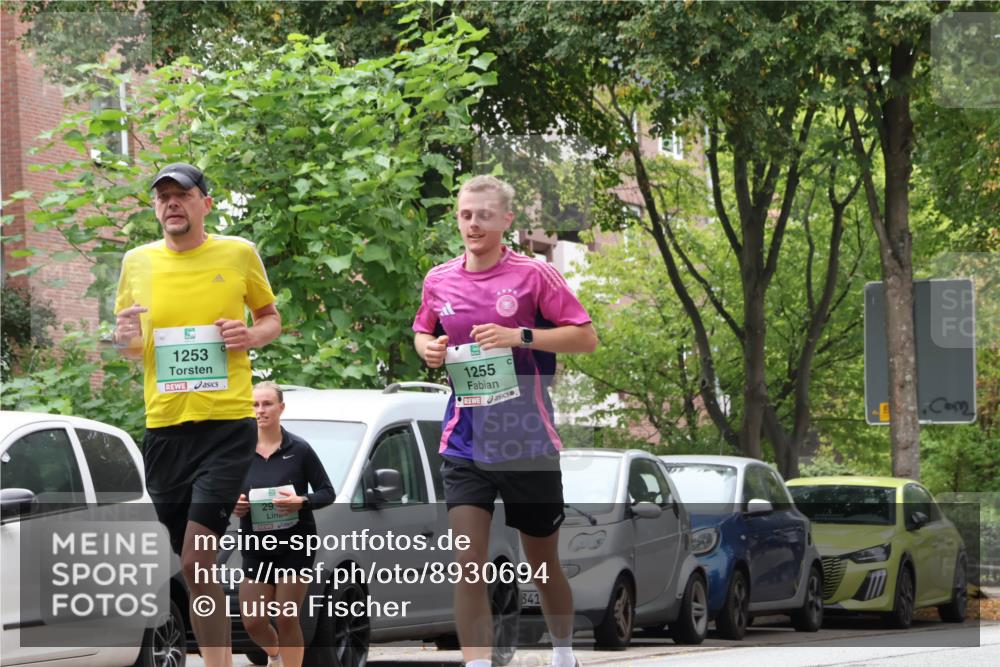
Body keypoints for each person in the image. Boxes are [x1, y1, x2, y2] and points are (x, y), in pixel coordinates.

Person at [412, 175, 598, 667]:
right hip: (465, 443)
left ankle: (563, 654)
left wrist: (521, 337)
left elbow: (585, 337)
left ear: (506, 221)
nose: (473, 224)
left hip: (528, 443)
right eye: (465, 215)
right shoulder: (439, 279)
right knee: (467, 568)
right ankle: (476, 663)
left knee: (542, 563)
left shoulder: (536, 275)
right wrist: (428, 350)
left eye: (484, 215)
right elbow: (422, 330)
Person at [113, 162, 281, 667]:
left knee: (196, 555)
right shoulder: (136, 262)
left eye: (181, 195)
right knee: (187, 566)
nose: (171, 204)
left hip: (226, 425)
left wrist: (250, 336)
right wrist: (124, 341)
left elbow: (270, 319)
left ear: (205, 203)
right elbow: (131, 345)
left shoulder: (237, 253)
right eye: (162, 197)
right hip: (165, 426)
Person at [233, 382, 336, 667]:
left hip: (296, 543)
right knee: (253, 621)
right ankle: (275, 653)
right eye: (255, 405)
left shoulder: (299, 449)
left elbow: (328, 492)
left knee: (287, 615)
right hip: (256, 543)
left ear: (281, 408)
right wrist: (235, 505)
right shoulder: (238, 453)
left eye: (267, 404)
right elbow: (223, 495)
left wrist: (301, 501)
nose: (260, 410)